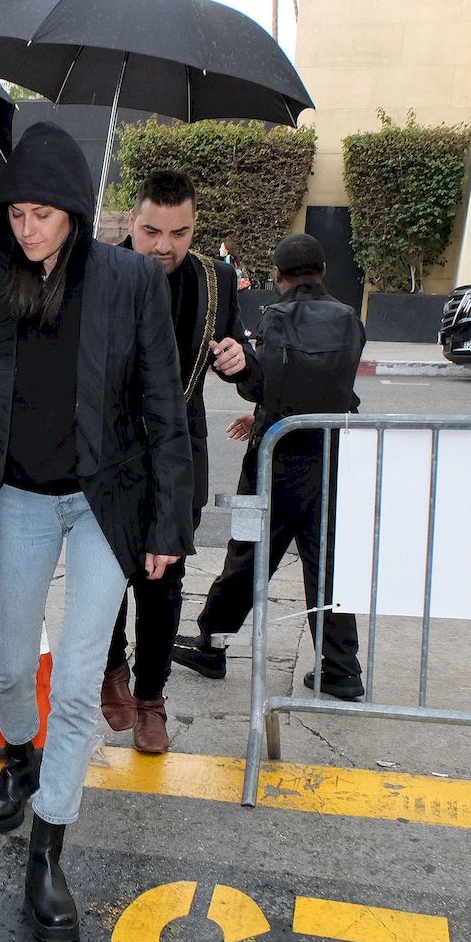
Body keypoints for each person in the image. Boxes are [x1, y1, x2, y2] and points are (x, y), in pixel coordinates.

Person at [0, 123, 191, 942]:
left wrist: (169, 522)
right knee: (15, 665)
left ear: (74, 211)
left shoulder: (132, 280)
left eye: (44, 215)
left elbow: (165, 409)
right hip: (20, 497)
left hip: (103, 502)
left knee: (78, 682)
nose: (29, 230)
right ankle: (21, 761)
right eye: (17, 215)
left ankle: (48, 848)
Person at [172, 233, 368, 701]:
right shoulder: (349, 319)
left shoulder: (277, 317)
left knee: (246, 555)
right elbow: (331, 388)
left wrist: (250, 390)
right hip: (330, 454)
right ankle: (341, 668)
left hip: (274, 459)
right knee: (327, 561)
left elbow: (265, 386)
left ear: (277, 274)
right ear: (323, 271)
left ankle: (212, 645)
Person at [101, 172, 249, 754]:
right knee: (104, 570)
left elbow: (238, 356)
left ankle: (151, 699)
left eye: (179, 233)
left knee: (163, 582)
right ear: (131, 222)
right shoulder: (98, 270)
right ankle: (111, 666)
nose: (165, 246)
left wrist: (239, 360)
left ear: (194, 227)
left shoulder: (216, 280)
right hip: (110, 451)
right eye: (151, 231)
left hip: (180, 450)